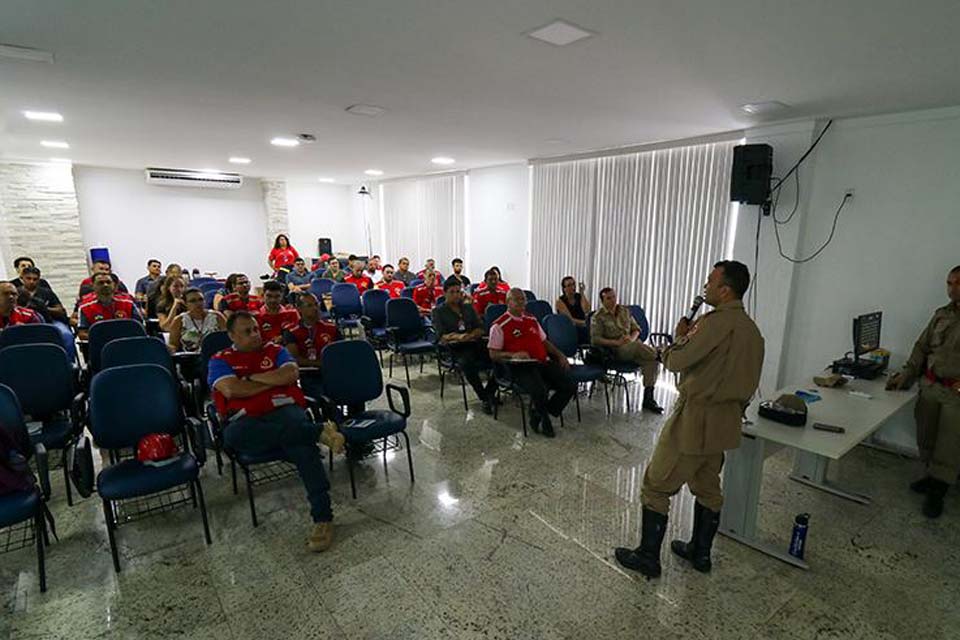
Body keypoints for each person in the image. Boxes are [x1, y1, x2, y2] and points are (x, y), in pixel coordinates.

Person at [615, 260, 763, 579]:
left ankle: (647, 558)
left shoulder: (712, 324)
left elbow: (677, 360)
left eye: (711, 281)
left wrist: (679, 338)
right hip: (726, 422)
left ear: (725, 290)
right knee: (708, 486)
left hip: (695, 419)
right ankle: (700, 552)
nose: (705, 286)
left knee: (656, 485)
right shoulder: (753, 331)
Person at [208, 311, 338, 552]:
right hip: (247, 419)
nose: (255, 334)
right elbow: (231, 390)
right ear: (231, 335)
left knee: (302, 448)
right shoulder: (220, 359)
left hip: (284, 408)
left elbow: (291, 373)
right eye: (247, 331)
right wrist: (269, 381)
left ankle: (323, 519)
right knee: (233, 436)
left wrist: (250, 378)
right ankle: (316, 432)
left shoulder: (275, 350)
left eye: (256, 329)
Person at [886, 265, 960, 518]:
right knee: (926, 435)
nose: (952, 289)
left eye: (958, 283)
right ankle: (931, 476)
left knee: (949, 444)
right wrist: (906, 375)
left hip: (955, 394)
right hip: (930, 386)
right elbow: (921, 347)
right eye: (949, 283)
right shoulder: (941, 315)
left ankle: (938, 491)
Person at [488, 288, 576, 438]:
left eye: (523, 299)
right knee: (539, 389)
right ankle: (544, 419)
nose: (522, 302)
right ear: (508, 302)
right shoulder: (499, 325)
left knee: (570, 384)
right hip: (519, 367)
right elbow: (493, 354)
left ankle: (540, 412)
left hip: (541, 362)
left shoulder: (531, 319)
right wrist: (513, 355)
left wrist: (560, 355)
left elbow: (545, 342)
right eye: (517, 299)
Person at [591, 287, 663, 413]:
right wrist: (616, 342)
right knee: (640, 348)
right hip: (616, 351)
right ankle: (661, 355)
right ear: (602, 301)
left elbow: (636, 329)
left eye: (614, 296)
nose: (613, 300)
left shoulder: (624, 311)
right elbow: (595, 339)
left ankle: (648, 399)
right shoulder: (598, 317)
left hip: (632, 346)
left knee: (652, 362)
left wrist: (631, 338)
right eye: (608, 298)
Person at [434, 278, 496, 414]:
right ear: (445, 293)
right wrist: (458, 336)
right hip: (456, 348)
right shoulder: (439, 311)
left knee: (498, 359)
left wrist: (472, 334)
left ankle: (489, 392)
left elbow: (480, 327)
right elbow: (441, 336)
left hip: (474, 342)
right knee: (468, 364)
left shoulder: (468, 307)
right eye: (452, 292)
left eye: (458, 291)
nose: (456, 295)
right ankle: (484, 397)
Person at [284, 292, 339, 400]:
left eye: (316, 304)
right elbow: (295, 359)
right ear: (299, 308)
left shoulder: (331, 328)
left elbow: (341, 351)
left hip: (333, 372)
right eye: (309, 306)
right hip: (310, 374)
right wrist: (320, 364)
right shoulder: (291, 331)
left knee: (354, 390)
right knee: (324, 398)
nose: (315, 308)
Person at [77, 272, 144, 339]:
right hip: (100, 345)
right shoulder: (84, 307)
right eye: (101, 283)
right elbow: (82, 333)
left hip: (127, 342)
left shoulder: (128, 303)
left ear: (114, 285)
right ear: (93, 286)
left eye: (108, 282)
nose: (105, 285)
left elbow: (140, 326)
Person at [168, 287, 226, 352]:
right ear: (185, 304)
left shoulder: (217, 316)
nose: (198, 303)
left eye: (201, 299)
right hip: (190, 358)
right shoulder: (179, 320)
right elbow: (173, 344)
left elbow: (227, 339)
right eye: (193, 301)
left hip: (214, 355)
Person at [556, 276, 591, 344]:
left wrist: (582, 293)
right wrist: (586, 323)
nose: (573, 287)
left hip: (583, 325)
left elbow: (586, 310)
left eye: (574, 284)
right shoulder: (560, 301)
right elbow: (570, 320)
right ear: (564, 289)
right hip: (570, 327)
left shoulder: (579, 296)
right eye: (569, 285)